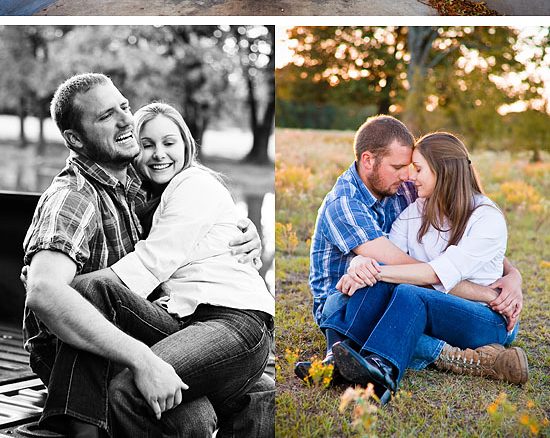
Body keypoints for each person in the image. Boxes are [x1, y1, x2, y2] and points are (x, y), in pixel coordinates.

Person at [21, 73, 272, 438]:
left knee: (262, 393)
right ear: (75, 139)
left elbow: (179, 243)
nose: (125, 119)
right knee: (191, 415)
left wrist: (241, 228)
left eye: (124, 107)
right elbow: (45, 292)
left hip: (185, 324)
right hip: (90, 350)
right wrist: (142, 360)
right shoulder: (73, 196)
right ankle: (82, 429)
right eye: (106, 115)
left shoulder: (139, 191)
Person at [296, 116, 524, 397]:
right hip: (360, 300)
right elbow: (396, 265)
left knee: (406, 295)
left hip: (484, 316)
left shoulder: (482, 217)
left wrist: (512, 277)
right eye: (402, 167)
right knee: (379, 298)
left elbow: (433, 273)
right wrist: (361, 264)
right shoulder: (403, 207)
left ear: (443, 172)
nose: (408, 176)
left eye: (415, 168)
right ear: (368, 161)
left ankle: (383, 369)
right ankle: (342, 360)